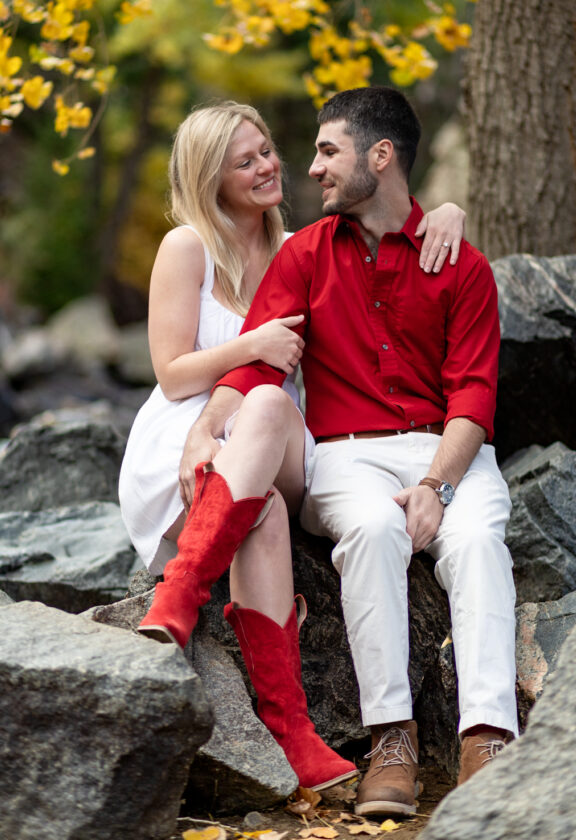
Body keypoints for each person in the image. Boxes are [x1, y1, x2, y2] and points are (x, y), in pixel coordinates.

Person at [177, 86, 518, 816]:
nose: (312, 167)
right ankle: (390, 739)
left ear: (380, 156)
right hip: (347, 454)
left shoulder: (462, 265)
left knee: (479, 542)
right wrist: (209, 426)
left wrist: (436, 484)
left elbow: (473, 399)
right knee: (369, 531)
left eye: (328, 151)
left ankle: (485, 737)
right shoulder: (303, 256)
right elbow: (259, 367)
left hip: (449, 451)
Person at [118, 99, 466, 793]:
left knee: (271, 401)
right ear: (208, 177)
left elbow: (388, 224)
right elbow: (169, 370)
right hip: (186, 439)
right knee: (265, 516)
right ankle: (293, 731)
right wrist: (248, 349)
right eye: (243, 161)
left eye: (267, 150)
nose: (268, 166)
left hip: (275, 441)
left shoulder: (296, 248)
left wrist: (447, 213)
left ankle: (182, 591)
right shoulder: (186, 246)